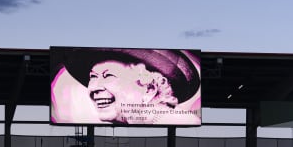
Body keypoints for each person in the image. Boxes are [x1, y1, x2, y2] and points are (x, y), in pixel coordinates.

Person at [51, 48, 201, 125]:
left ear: (149, 89)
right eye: (93, 77)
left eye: (108, 75)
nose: (93, 88)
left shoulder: (182, 122)